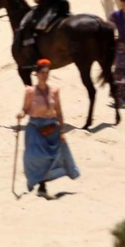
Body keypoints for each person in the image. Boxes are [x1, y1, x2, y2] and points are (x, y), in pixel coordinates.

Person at [16, 60, 80, 197]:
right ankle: (40, 184)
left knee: (52, 157)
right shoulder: (30, 92)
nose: (45, 75)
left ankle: (42, 186)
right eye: (43, 73)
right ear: (37, 74)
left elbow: (59, 112)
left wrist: (62, 130)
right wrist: (21, 114)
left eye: (47, 73)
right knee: (33, 156)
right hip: (34, 128)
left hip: (51, 128)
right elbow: (25, 109)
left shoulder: (54, 91)